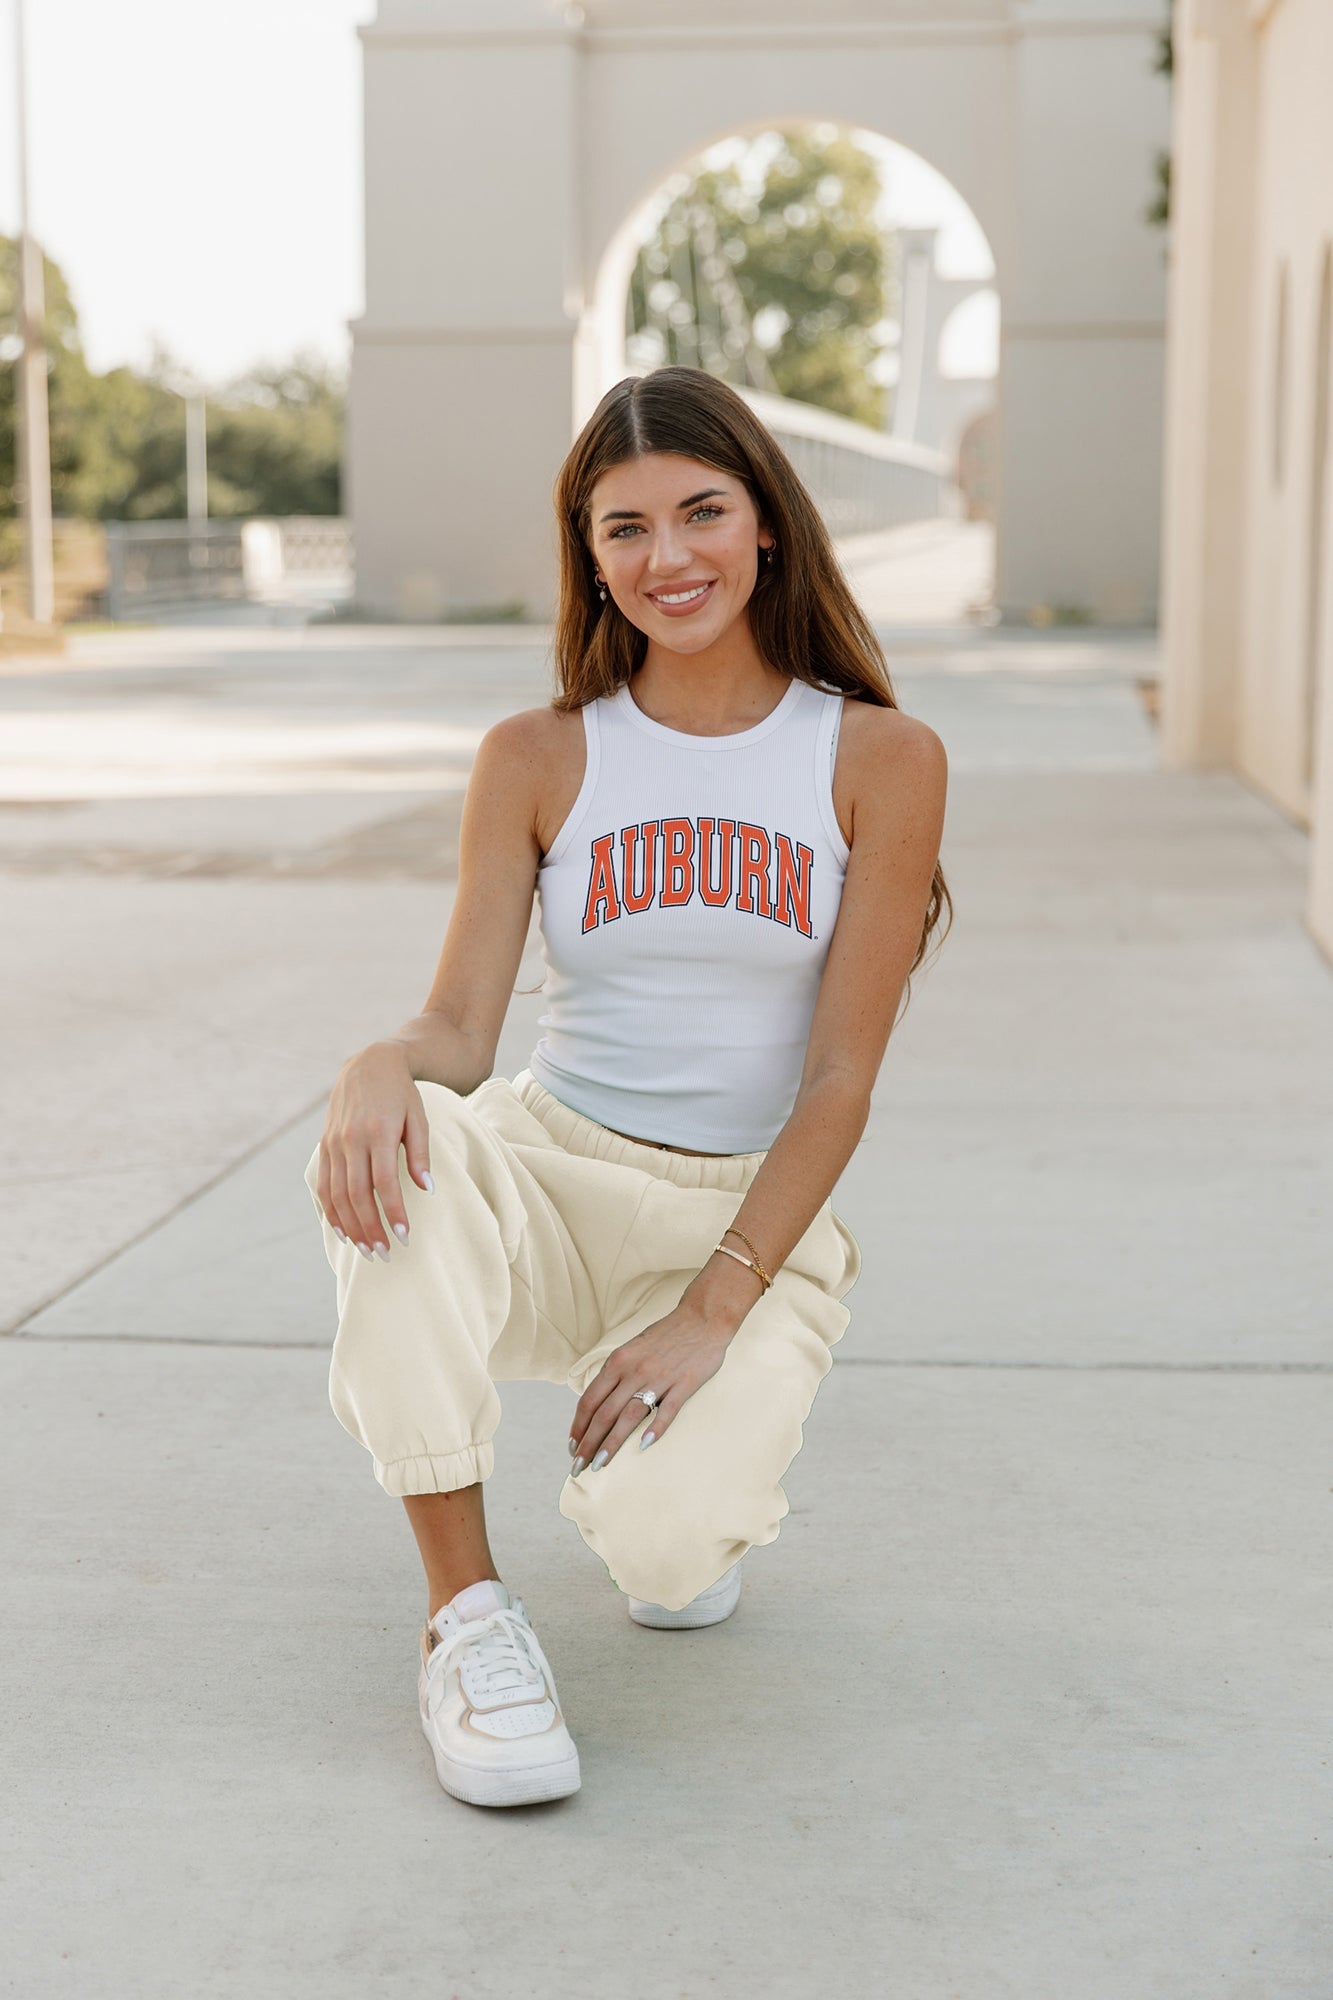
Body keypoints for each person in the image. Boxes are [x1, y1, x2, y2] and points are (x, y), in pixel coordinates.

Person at [303, 365, 951, 1810]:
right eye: (625, 529)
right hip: (545, 1170)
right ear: (587, 558)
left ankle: (681, 1518)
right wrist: (373, 1068)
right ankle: (465, 1621)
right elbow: (459, 1030)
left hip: (737, 1220)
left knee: (665, 1548)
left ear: (766, 525)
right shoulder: (536, 756)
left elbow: (842, 1077)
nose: (670, 559)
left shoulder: (878, 758)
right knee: (386, 1164)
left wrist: (718, 1302)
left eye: (702, 513)